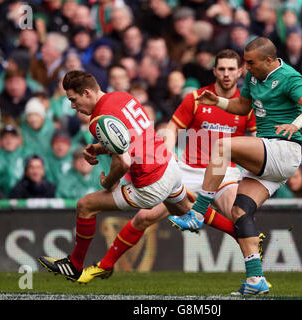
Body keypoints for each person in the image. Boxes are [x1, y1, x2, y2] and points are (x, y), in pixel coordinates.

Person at [170, 37, 302, 295]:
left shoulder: (289, 77)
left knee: (222, 146)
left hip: (283, 149)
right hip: (268, 157)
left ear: (269, 60)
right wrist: (216, 101)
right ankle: (256, 280)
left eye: (250, 63)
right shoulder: (254, 77)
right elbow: (242, 106)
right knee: (240, 212)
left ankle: (197, 213)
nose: (246, 67)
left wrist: (295, 125)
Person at [38, 70, 192, 284]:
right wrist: (99, 149)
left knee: (86, 205)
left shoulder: (98, 120)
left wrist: (108, 182)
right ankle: (243, 233)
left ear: (86, 92)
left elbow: (124, 162)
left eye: (74, 100)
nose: (73, 106)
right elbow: (132, 138)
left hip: (150, 182)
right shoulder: (122, 96)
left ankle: (74, 265)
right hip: (168, 165)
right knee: (190, 213)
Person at [165, 49, 256, 240]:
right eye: (222, 69)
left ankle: (255, 260)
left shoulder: (246, 105)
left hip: (224, 172)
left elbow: (257, 140)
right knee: (144, 217)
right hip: (188, 170)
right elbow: (172, 127)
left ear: (240, 72)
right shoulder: (197, 98)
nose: (226, 74)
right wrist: (168, 151)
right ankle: (105, 265)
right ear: (214, 71)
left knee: (240, 217)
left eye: (231, 69)